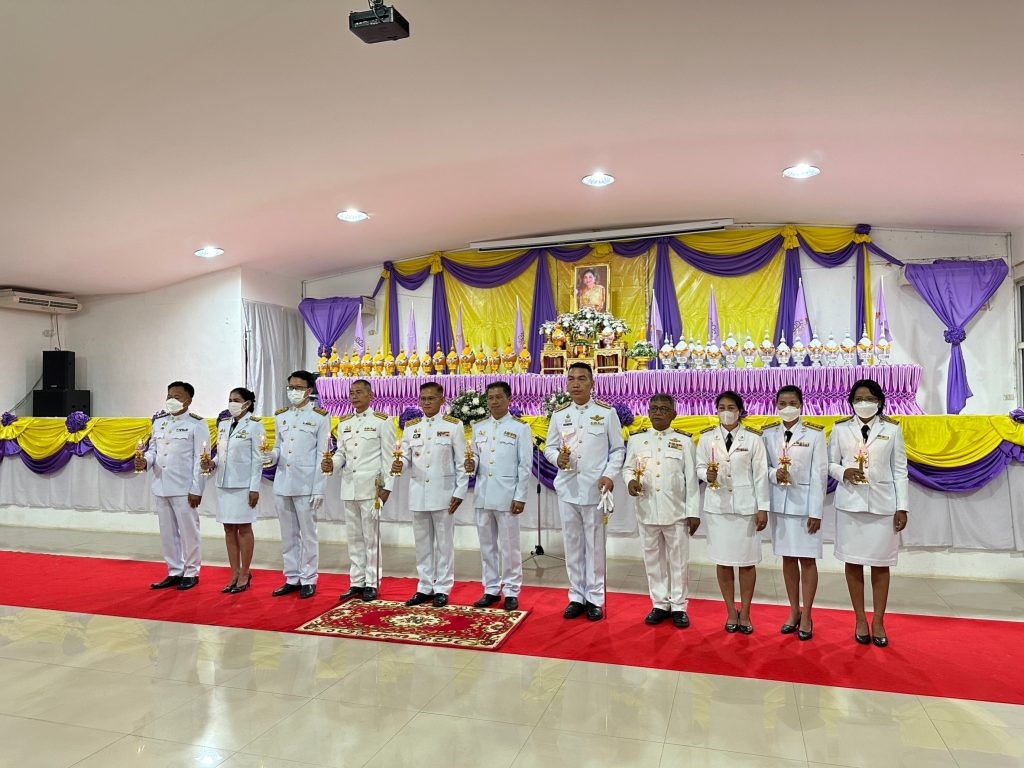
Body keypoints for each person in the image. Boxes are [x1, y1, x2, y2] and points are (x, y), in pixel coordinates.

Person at [828, 378, 909, 648]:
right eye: (859, 399)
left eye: (870, 399)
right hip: (850, 506)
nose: (864, 403)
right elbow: (829, 463)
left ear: (880, 402)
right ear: (851, 402)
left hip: (882, 507)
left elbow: (900, 471)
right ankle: (860, 619)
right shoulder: (840, 429)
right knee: (853, 563)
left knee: (881, 564)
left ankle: (879, 621)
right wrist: (843, 472)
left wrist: (902, 506)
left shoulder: (892, 430)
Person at [544, 362, 625, 621]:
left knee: (595, 545)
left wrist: (609, 474)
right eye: (571, 379)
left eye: (581, 379)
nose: (576, 384)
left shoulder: (606, 413)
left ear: (592, 383)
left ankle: (595, 598)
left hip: (594, 489)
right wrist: (557, 459)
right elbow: (549, 448)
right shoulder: (559, 414)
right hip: (568, 488)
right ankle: (576, 596)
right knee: (573, 544)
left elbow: (618, 450)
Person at [695, 390, 769, 634]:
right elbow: (699, 466)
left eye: (731, 408)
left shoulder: (753, 439)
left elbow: (760, 476)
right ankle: (730, 610)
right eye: (722, 408)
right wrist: (706, 474)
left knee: (747, 563)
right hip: (718, 508)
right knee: (723, 561)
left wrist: (763, 508)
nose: (726, 412)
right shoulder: (707, 437)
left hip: (745, 508)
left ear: (740, 411)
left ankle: (745, 612)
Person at [624, 394, 700, 628]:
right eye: (654, 408)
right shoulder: (637, 440)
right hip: (647, 509)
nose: (658, 412)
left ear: (674, 414)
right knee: (652, 560)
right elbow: (628, 468)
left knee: (678, 561)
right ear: (648, 412)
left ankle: (679, 606)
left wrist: (693, 512)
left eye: (664, 409)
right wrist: (630, 481)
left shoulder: (684, 441)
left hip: (676, 511)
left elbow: (691, 480)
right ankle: (659, 603)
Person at [391, 382, 468, 607]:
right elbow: (406, 457)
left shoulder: (453, 425)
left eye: (432, 398)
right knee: (422, 544)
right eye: (423, 398)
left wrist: (460, 491)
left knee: (444, 544)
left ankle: (443, 587)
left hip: (444, 493)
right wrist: (401, 465)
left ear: (442, 400)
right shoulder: (411, 427)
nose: (426, 403)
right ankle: (424, 586)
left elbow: (462, 462)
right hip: (418, 492)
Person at [762, 385, 826, 640]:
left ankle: (807, 614)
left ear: (801, 405)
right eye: (782, 403)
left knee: (807, 561)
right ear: (776, 406)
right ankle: (793, 611)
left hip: (805, 507)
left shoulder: (814, 434)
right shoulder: (768, 434)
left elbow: (819, 475)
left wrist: (816, 512)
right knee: (788, 559)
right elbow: (763, 467)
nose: (787, 408)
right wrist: (773, 474)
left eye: (792, 403)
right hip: (780, 505)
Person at [322, 379, 395, 603]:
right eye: (352, 393)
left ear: (370, 395)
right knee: (354, 537)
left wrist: (387, 488)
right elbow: (341, 453)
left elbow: (389, 458)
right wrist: (332, 464)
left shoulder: (382, 421)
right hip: (349, 487)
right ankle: (356, 581)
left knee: (371, 538)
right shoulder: (345, 423)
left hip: (371, 488)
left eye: (359, 392)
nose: (354, 396)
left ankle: (372, 582)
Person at [465, 381, 532, 612]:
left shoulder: (520, 428)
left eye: (499, 397)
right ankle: (491, 589)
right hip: (483, 494)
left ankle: (512, 590)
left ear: (509, 399)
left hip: (507, 495)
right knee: (487, 546)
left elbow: (525, 465)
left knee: (509, 546)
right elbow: (475, 457)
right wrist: (471, 464)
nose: (494, 402)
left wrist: (520, 496)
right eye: (490, 398)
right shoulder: (479, 427)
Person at [264, 371, 331, 599]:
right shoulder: (281, 416)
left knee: (308, 534)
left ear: (309, 391)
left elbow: (322, 454)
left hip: (306, 484)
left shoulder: (320, 417)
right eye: (290, 387)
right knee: (288, 533)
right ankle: (292, 577)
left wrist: (319, 488)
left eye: (298, 388)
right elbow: (278, 447)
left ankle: (309, 578)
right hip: (283, 482)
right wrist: (270, 456)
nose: (293, 391)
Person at [137, 381, 207, 591]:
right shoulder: (159, 422)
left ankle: (191, 571)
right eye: (169, 396)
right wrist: (145, 461)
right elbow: (153, 450)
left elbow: (200, 459)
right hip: (161, 485)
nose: (171, 400)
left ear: (188, 400)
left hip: (184, 487)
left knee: (189, 532)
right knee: (167, 533)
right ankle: (174, 570)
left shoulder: (197, 424)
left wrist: (197, 489)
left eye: (177, 397)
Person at [203, 387, 264, 594]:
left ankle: (245, 572)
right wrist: (212, 463)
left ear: (247, 403)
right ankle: (234, 572)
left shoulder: (255, 425)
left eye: (236, 400)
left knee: (244, 528)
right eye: (230, 399)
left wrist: (254, 488)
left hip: (243, 484)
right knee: (228, 529)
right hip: (224, 483)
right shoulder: (224, 424)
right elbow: (222, 453)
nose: (232, 403)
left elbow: (258, 458)